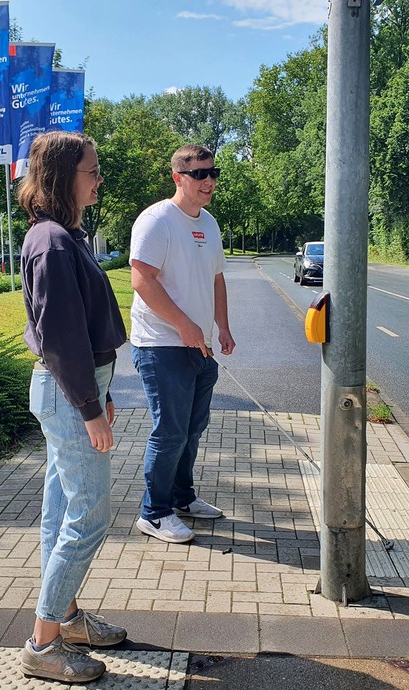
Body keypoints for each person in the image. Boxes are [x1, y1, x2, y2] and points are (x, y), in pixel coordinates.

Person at [17, 131, 127, 684]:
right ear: (64, 177)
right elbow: (61, 337)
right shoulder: (56, 243)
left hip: (71, 391)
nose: (99, 177)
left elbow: (76, 331)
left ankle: (64, 616)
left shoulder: (64, 236)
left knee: (61, 514)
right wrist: (91, 408)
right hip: (68, 397)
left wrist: (98, 392)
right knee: (88, 519)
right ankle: (43, 642)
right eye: (92, 169)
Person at [130, 143, 236, 544]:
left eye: (213, 173)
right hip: (160, 345)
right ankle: (153, 514)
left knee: (192, 429)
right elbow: (141, 280)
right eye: (199, 174)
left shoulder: (208, 223)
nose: (208, 181)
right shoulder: (157, 220)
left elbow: (217, 278)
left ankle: (182, 497)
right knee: (170, 431)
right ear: (178, 177)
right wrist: (184, 325)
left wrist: (221, 327)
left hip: (199, 345)